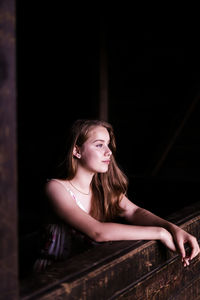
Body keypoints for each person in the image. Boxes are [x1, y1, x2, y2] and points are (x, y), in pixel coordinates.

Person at [34, 119, 199, 271]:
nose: (109, 152)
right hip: (53, 278)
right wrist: (160, 233)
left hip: (89, 271)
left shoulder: (102, 188)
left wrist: (173, 228)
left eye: (108, 145)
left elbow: (135, 212)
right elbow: (98, 232)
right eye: (99, 145)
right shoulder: (56, 188)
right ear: (77, 150)